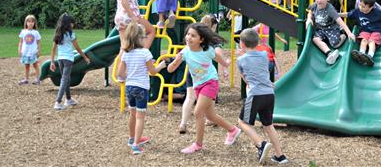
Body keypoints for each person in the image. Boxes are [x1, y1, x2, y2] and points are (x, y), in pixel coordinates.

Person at [167, 23, 240, 154]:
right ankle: (233, 130)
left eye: (193, 36)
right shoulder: (184, 51)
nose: (189, 38)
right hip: (198, 85)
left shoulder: (207, 51)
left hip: (210, 82)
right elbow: (170, 69)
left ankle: (198, 144)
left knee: (198, 112)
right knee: (210, 115)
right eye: (188, 34)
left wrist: (227, 63)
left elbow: (222, 61)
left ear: (201, 40)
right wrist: (174, 61)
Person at [237, 28, 288, 164]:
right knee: (268, 125)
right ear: (258, 42)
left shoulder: (241, 60)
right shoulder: (264, 55)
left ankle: (261, 143)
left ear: (242, 43)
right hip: (269, 94)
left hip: (255, 94)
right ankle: (280, 156)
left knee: (242, 122)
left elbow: (246, 79)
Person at [117, 21, 167, 154]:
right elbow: (153, 72)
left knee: (132, 114)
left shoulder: (126, 53)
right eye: (144, 36)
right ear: (139, 38)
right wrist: (161, 65)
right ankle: (135, 145)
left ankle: (132, 138)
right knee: (140, 117)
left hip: (129, 87)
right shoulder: (145, 53)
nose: (145, 39)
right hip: (141, 88)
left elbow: (120, 74)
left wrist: (132, 74)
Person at [49, 13, 91, 110]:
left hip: (60, 59)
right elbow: (77, 48)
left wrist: (52, 62)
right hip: (68, 60)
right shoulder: (71, 34)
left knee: (66, 79)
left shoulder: (58, 34)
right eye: (72, 23)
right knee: (64, 79)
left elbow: (53, 49)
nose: (73, 25)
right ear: (68, 24)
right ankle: (58, 102)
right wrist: (85, 57)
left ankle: (68, 99)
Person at [306, 0, 356, 65]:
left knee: (335, 44)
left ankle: (342, 36)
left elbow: (340, 21)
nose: (319, 1)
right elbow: (310, 12)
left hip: (331, 29)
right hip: (321, 29)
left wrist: (349, 33)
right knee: (315, 39)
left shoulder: (330, 9)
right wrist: (309, 19)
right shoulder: (314, 5)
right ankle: (329, 53)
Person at [18, 15, 41, 85]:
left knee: (35, 65)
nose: (30, 23)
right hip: (25, 52)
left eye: (32, 21)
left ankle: (37, 79)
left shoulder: (36, 32)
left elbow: (38, 43)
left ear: (34, 23)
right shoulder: (23, 32)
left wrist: (38, 51)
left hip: (33, 52)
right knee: (26, 66)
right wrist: (19, 50)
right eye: (28, 21)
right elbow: (21, 42)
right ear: (26, 23)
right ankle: (26, 79)